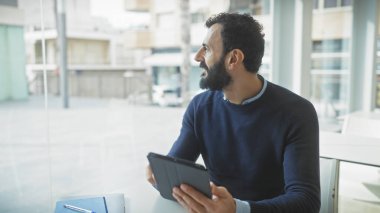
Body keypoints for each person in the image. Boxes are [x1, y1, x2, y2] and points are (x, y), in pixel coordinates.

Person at [146, 12, 320, 213]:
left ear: (233, 59)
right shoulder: (200, 107)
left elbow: (306, 202)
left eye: (207, 49)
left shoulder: (297, 112)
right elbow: (176, 169)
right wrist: (159, 175)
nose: (197, 57)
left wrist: (239, 209)